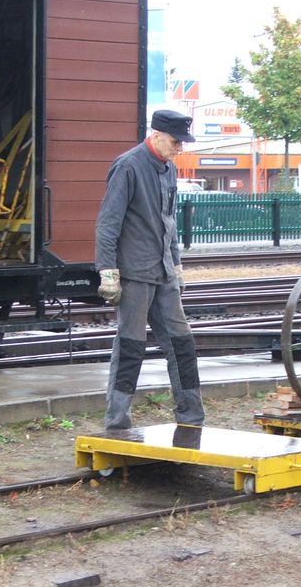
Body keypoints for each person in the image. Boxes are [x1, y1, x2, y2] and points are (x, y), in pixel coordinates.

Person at [95, 109, 205, 431]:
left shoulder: (168, 168)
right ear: (156, 135)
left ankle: (192, 420)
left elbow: (168, 223)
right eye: (175, 142)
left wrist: (176, 265)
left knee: (182, 344)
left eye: (182, 143)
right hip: (135, 273)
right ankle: (117, 424)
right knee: (131, 346)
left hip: (163, 272)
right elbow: (107, 224)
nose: (180, 148)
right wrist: (108, 272)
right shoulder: (128, 166)